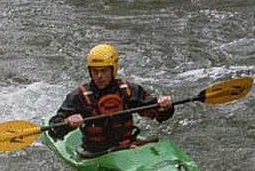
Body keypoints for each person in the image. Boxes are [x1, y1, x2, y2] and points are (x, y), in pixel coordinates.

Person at [46, 43, 175, 156]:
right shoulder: (79, 97)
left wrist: (165, 106)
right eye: (95, 71)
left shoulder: (129, 91)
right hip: (96, 152)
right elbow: (53, 129)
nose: (99, 76)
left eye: (104, 71)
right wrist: (68, 121)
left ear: (113, 70)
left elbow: (160, 116)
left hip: (127, 146)